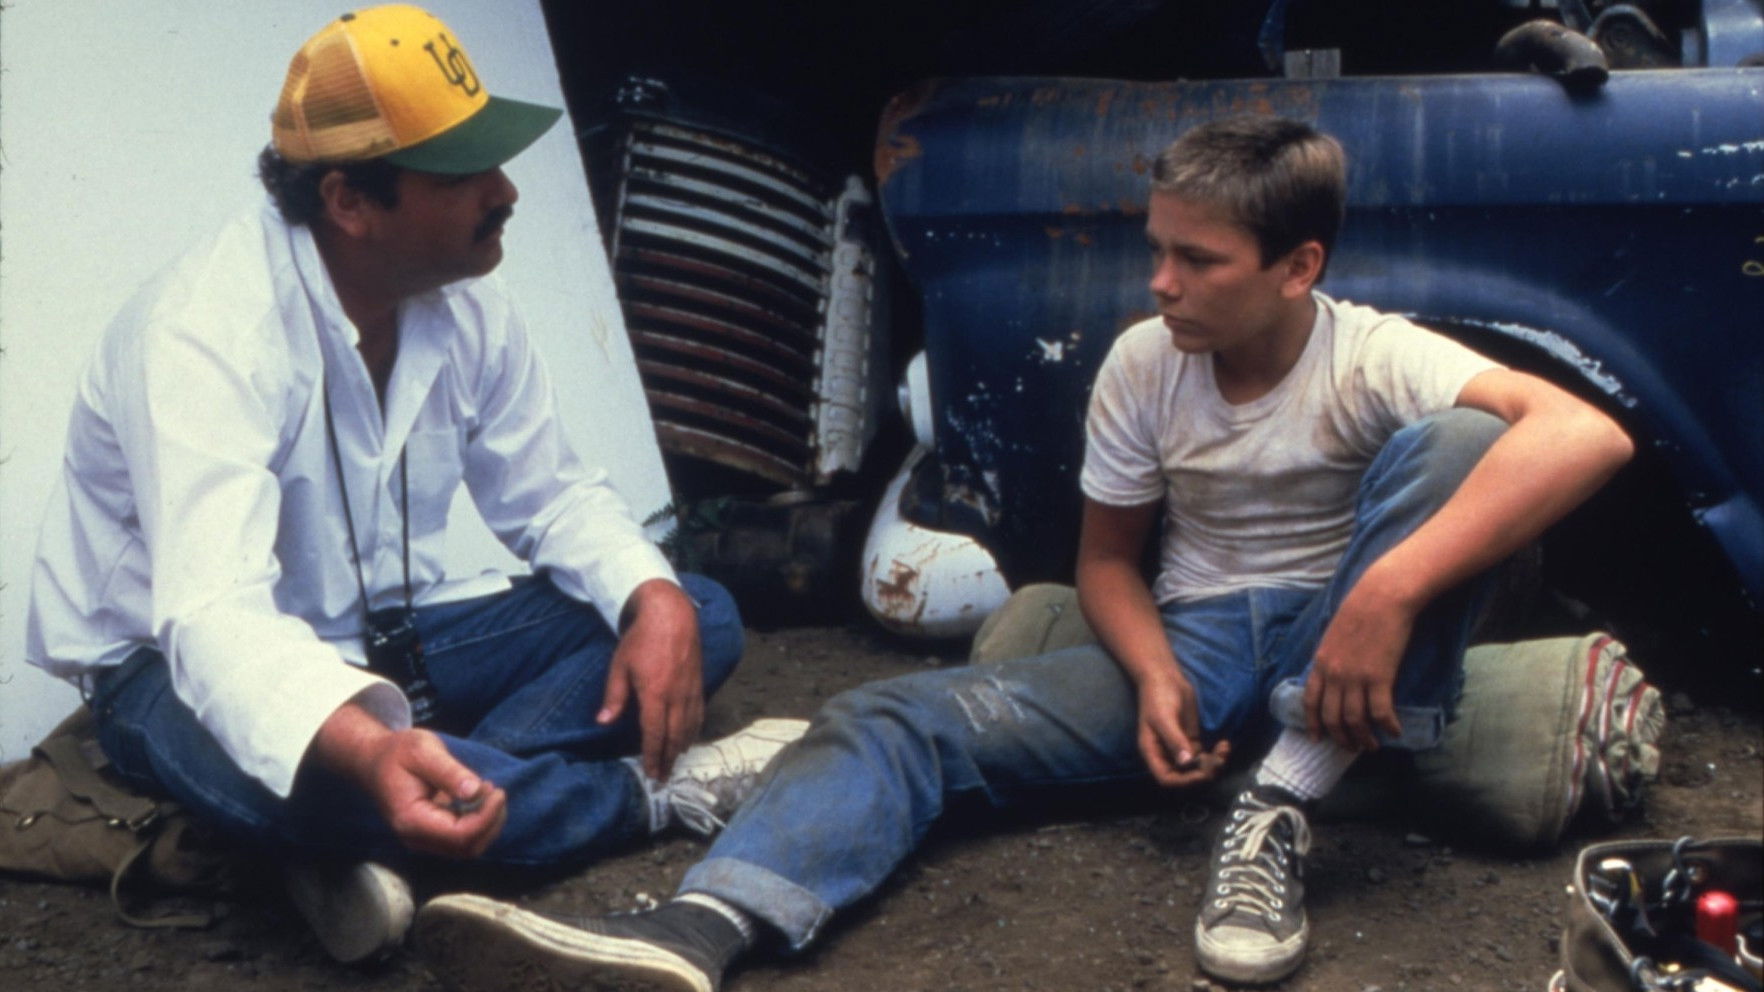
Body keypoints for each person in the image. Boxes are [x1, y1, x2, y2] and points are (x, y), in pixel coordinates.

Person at [411, 115, 1634, 989]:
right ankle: (700, 927)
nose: (1161, 284)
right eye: (1157, 249)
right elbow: (1106, 563)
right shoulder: (1145, 364)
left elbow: (1587, 432)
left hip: (1345, 635)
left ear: (1297, 267)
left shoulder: (1369, 350)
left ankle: (1276, 805)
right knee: (891, 714)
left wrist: (1387, 591)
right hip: (1202, 640)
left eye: (1197, 260)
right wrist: (1154, 674)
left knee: (1471, 441)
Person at [23, 4, 803, 965]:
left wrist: (652, 596)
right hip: (170, 667)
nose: (507, 191)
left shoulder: (467, 299)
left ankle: (397, 827)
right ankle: (645, 796)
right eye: (463, 172)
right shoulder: (202, 334)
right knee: (305, 766)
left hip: (386, 639)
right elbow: (214, 619)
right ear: (350, 201)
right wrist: (365, 749)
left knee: (694, 613)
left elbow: (552, 496)